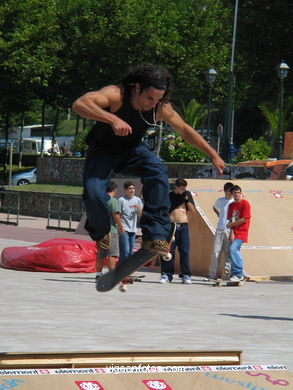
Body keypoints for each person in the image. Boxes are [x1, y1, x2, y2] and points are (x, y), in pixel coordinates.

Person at [72, 64, 224, 262]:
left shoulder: (161, 107)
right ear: (137, 88)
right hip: (102, 151)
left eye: (158, 99)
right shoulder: (116, 95)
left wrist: (212, 154)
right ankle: (101, 232)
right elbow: (79, 104)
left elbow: (185, 130)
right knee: (93, 193)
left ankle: (155, 236)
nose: (152, 104)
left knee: (157, 170)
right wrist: (112, 119)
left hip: (132, 151)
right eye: (149, 98)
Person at [160, 178, 195, 284]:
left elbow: (193, 211)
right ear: (176, 187)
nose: (183, 190)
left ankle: (186, 275)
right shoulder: (169, 196)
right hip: (171, 226)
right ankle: (166, 274)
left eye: (185, 188)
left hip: (183, 225)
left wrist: (187, 200)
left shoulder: (187, 194)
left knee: (184, 251)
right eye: (182, 188)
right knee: (168, 251)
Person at [95, 181, 124, 289]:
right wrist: (121, 227)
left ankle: (98, 274)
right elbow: (116, 216)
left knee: (100, 254)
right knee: (112, 254)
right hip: (111, 231)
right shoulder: (113, 200)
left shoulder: (99, 200)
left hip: (99, 231)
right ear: (114, 190)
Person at [206, 182, 234, 281]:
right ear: (224, 191)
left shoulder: (234, 202)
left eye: (231, 192)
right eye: (228, 192)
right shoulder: (220, 201)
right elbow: (214, 207)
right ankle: (212, 274)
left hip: (229, 230)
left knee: (228, 253)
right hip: (219, 229)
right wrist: (220, 215)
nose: (230, 194)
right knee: (216, 251)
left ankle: (226, 274)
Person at [226, 185, 251, 282]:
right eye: (234, 193)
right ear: (231, 194)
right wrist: (231, 232)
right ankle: (234, 274)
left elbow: (243, 220)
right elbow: (230, 220)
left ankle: (239, 274)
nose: (236, 195)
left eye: (238, 192)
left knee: (233, 249)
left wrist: (231, 224)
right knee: (233, 252)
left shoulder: (245, 204)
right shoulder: (231, 205)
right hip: (234, 232)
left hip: (242, 232)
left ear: (241, 193)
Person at [118, 181, 143, 263]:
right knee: (125, 251)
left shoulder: (138, 200)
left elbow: (140, 215)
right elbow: (117, 215)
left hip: (133, 230)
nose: (132, 190)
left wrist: (138, 209)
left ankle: (127, 272)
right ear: (125, 190)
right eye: (130, 189)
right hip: (124, 229)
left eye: (133, 188)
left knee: (130, 253)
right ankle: (120, 271)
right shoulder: (121, 200)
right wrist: (120, 227)